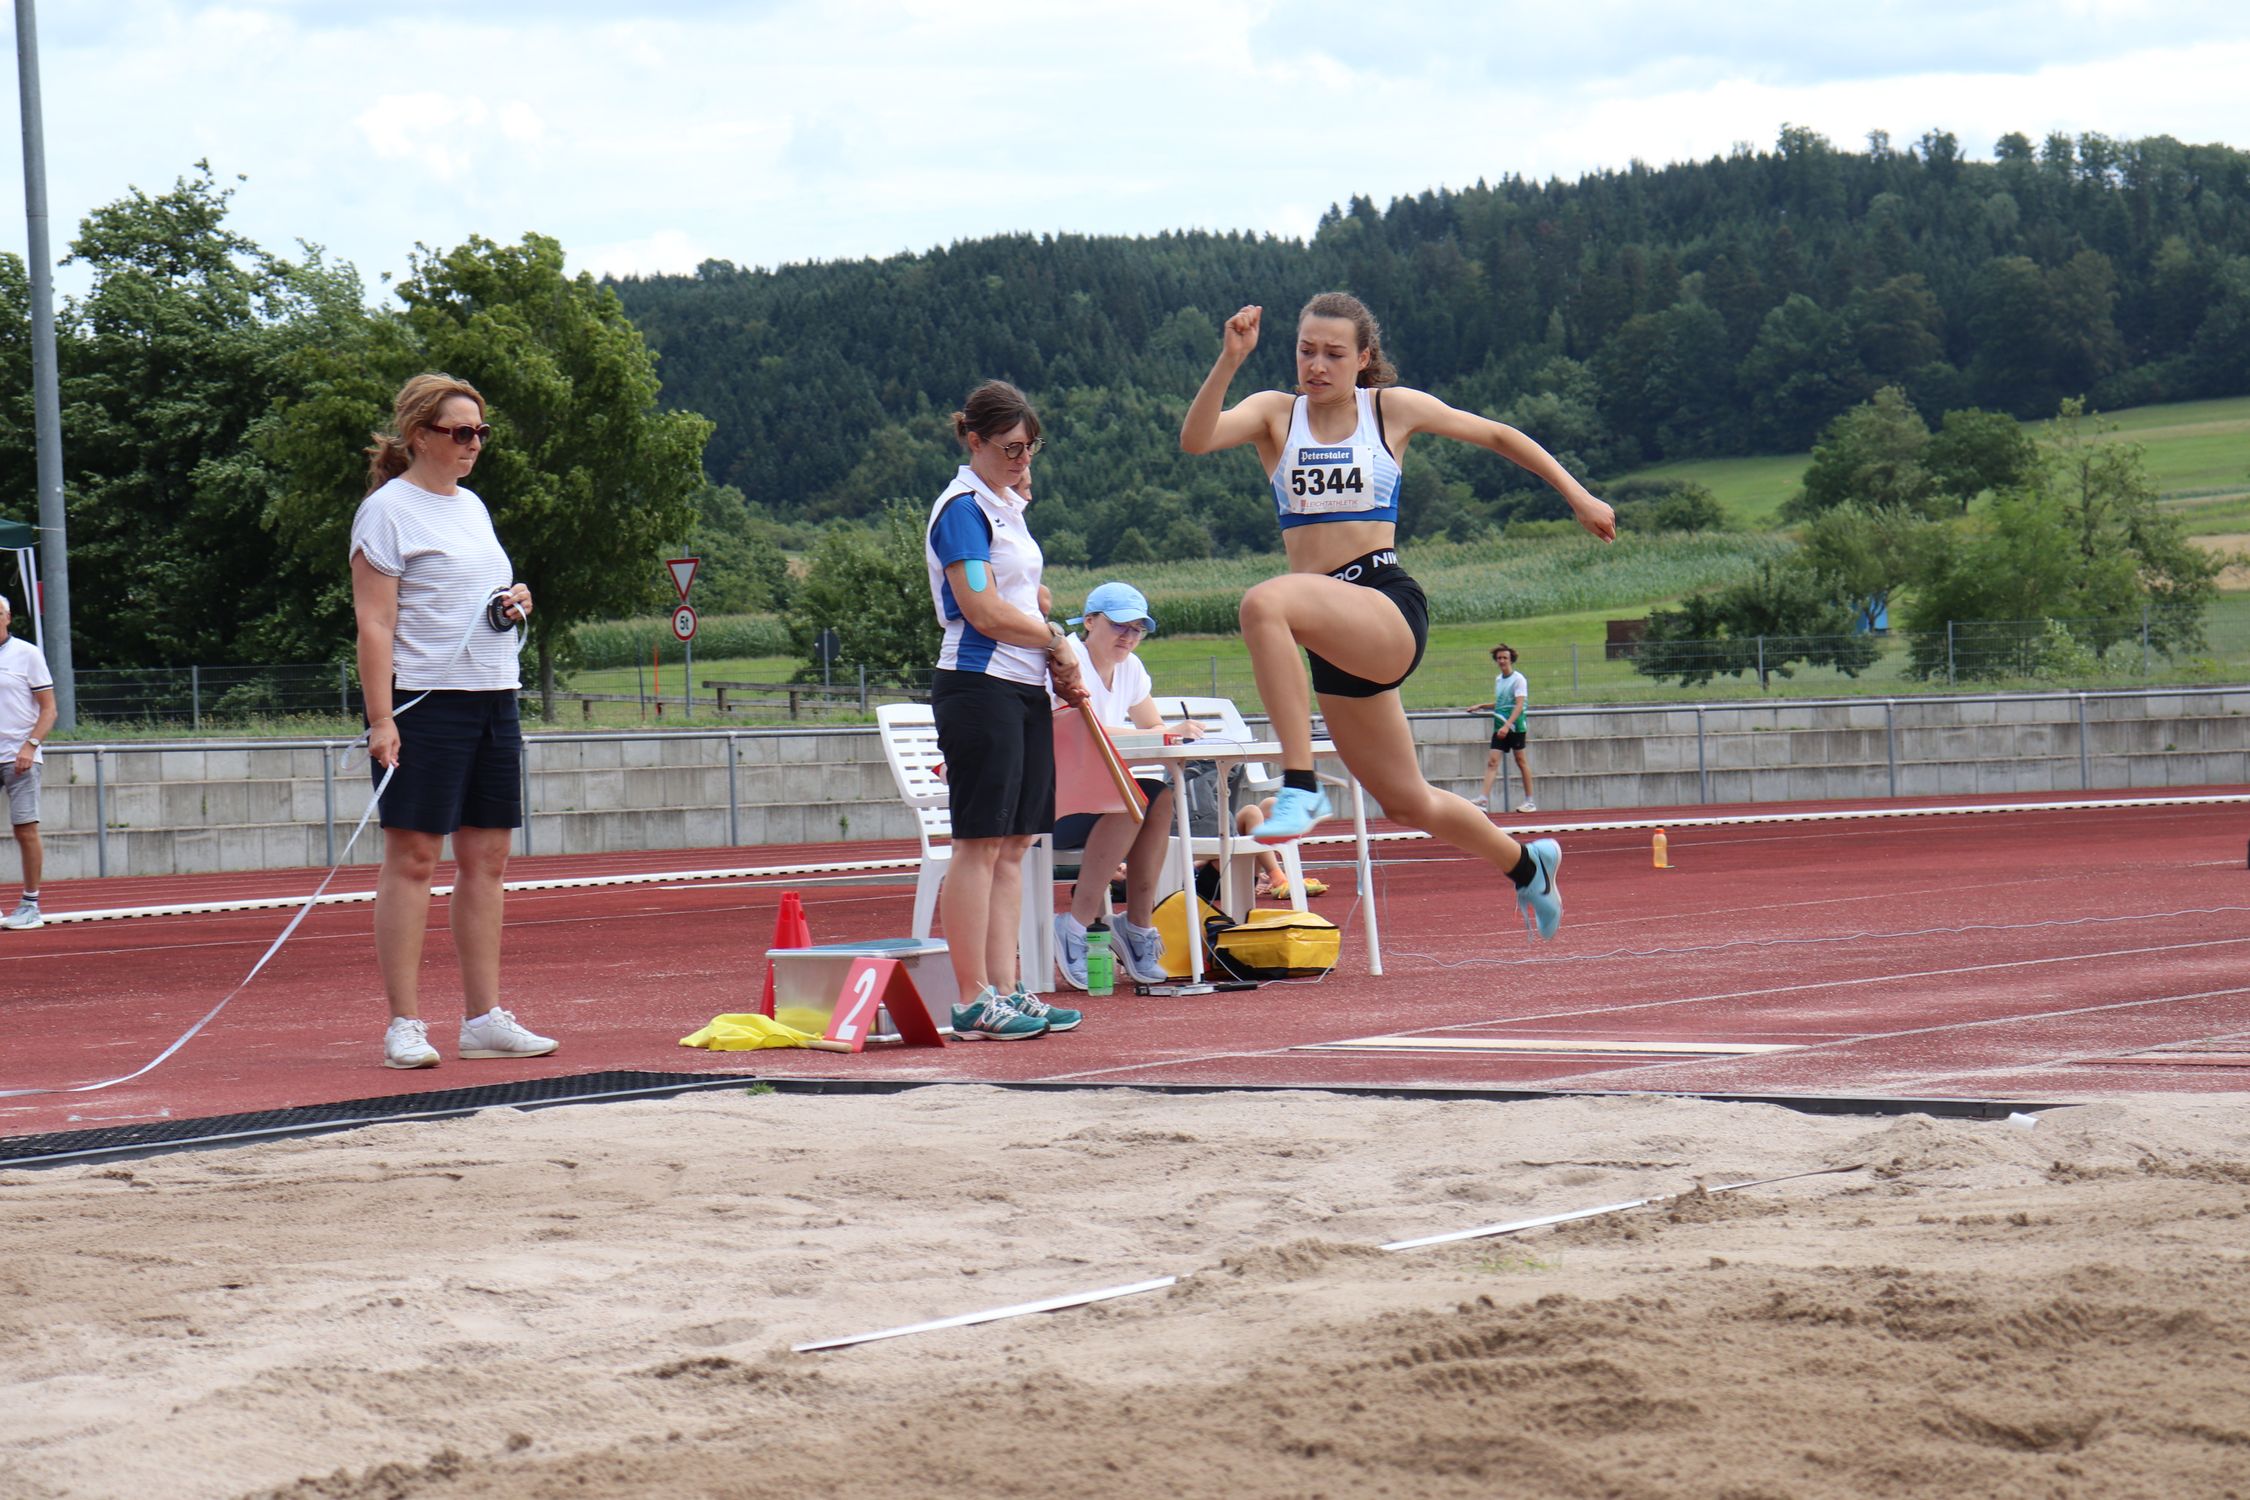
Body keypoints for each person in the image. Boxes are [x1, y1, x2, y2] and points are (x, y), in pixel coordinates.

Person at [1179, 293, 1614, 940]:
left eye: (1333, 354)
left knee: (1264, 601)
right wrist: (1229, 359)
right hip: (1328, 628)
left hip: (1383, 604)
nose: (1317, 365)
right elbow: (1196, 440)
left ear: (1364, 359)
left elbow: (1497, 434)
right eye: (1306, 351)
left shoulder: (1389, 409)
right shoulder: (1276, 415)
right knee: (1409, 800)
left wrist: (1577, 495)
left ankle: (1299, 786)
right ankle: (1527, 865)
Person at [351, 373, 555, 1069]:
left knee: (487, 860)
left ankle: (483, 1018)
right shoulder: (387, 511)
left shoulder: (472, 507)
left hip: (493, 694)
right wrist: (382, 719)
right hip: (424, 705)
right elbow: (374, 623)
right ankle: (405, 1023)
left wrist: (511, 601)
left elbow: (473, 592)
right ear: (419, 436)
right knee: (413, 859)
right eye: (460, 432)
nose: (473, 444)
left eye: (480, 433)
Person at [924, 379, 1087, 1038]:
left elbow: (1017, 592)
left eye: (1030, 450)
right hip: (978, 684)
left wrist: (1043, 621)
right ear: (974, 441)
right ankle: (972, 997)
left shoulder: (1005, 504)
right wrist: (1054, 639)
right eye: (1011, 449)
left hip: (1022, 687)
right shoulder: (962, 507)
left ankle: (1009, 987)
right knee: (980, 843)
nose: (1023, 461)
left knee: (1016, 845)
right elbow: (982, 609)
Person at [1048, 581, 1207, 989]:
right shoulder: (1065, 659)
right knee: (1132, 798)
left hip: (1103, 799)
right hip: (1052, 804)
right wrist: (1166, 734)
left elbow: (1151, 726)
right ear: (1089, 621)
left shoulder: (1131, 668)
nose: (1130, 636)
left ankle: (1137, 927)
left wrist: (1171, 735)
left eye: (1138, 629)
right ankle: (1076, 924)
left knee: (1158, 797)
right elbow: (1084, 728)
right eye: (1120, 625)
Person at [0, 593, 57, 931]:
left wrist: (31, 745)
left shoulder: (27, 654)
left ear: (7, 617)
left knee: (25, 828)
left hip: (19, 755)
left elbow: (49, 708)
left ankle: (30, 903)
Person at [1470, 644, 1534, 813]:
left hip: (1515, 726)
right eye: (1499, 658)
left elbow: (1519, 704)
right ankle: (1483, 800)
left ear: (1511, 659)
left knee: (1521, 761)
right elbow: (1502, 703)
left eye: (1505, 658)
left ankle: (1530, 801)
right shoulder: (1499, 679)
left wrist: (1507, 725)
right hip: (1500, 726)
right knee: (1492, 762)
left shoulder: (1519, 679)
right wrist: (1482, 705)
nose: (1502, 661)